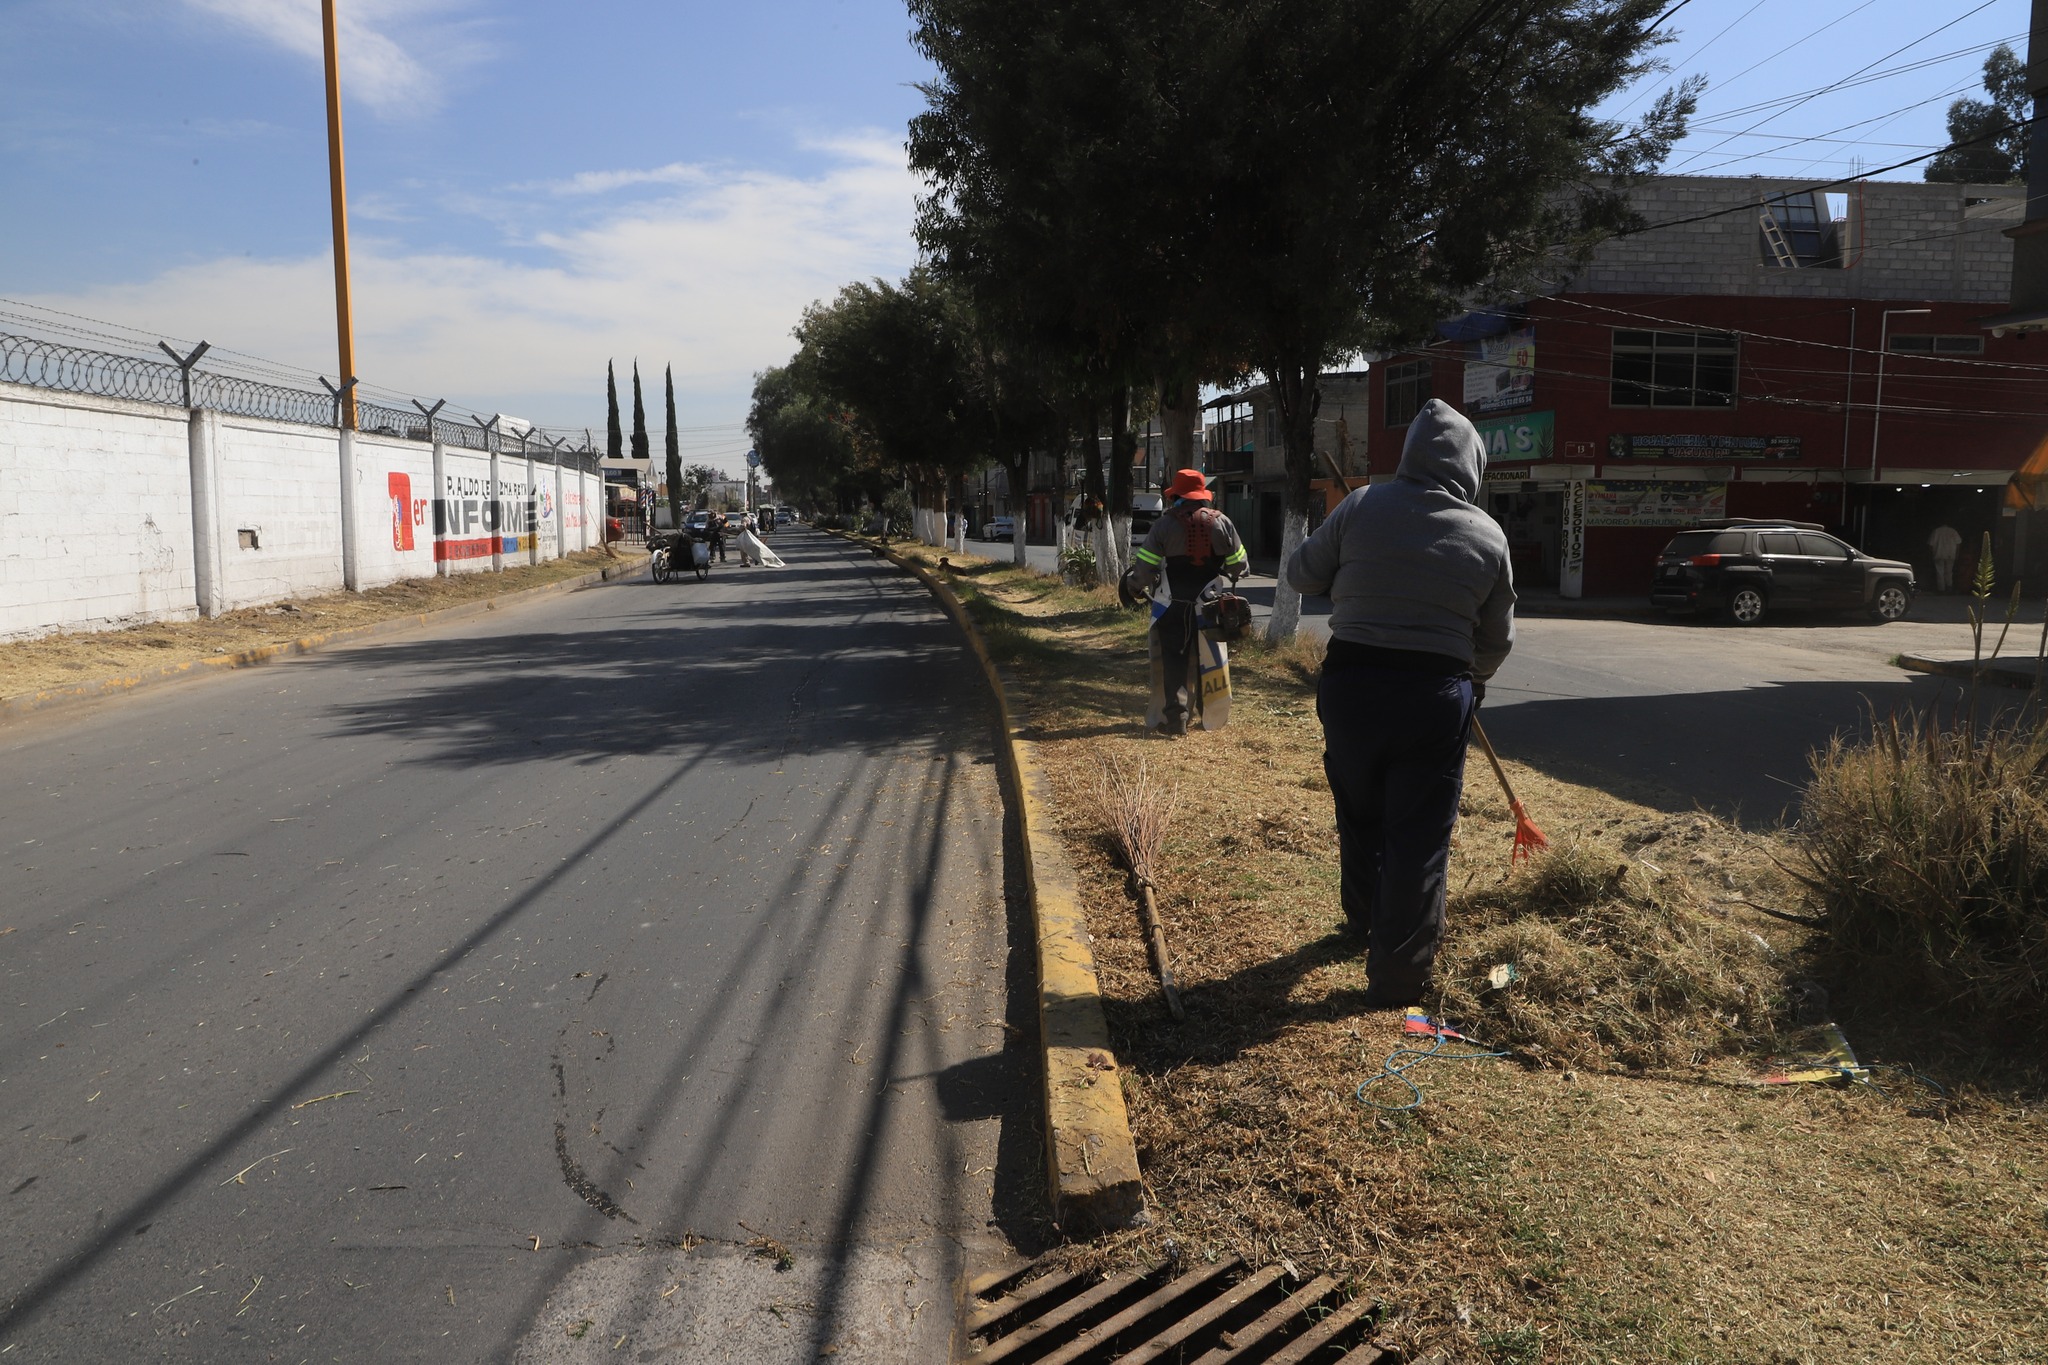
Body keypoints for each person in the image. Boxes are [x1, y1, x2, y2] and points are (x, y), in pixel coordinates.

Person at [1284, 399, 1515, 1009]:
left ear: (1409, 453)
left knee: (1358, 809)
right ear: (1471, 466)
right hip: (1434, 696)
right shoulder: (1488, 534)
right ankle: (1398, 977)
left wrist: (1348, 567)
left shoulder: (1361, 506)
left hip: (1352, 685)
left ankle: (1361, 918)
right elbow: (1496, 639)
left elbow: (1301, 575)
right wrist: (1476, 680)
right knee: (1418, 835)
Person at [1124, 469, 1249, 736]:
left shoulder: (1164, 525)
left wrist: (1134, 586)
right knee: (1210, 659)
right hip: (1212, 607)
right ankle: (1208, 715)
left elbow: (1145, 568)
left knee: (1175, 660)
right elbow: (1239, 564)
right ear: (1203, 495)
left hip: (1172, 605)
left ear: (1177, 496)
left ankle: (1176, 720)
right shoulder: (1222, 522)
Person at [1929, 523, 1961, 592]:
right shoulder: (1953, 531)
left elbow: (1931, 544)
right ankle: (1949, 587)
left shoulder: (1936, 531)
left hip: (1938, 554)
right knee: (1949, 572)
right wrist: (1957, 554)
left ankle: (1941, 589)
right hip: (1950, 554)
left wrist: (1933, 554)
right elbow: (1958, 543)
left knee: (1940, 572)